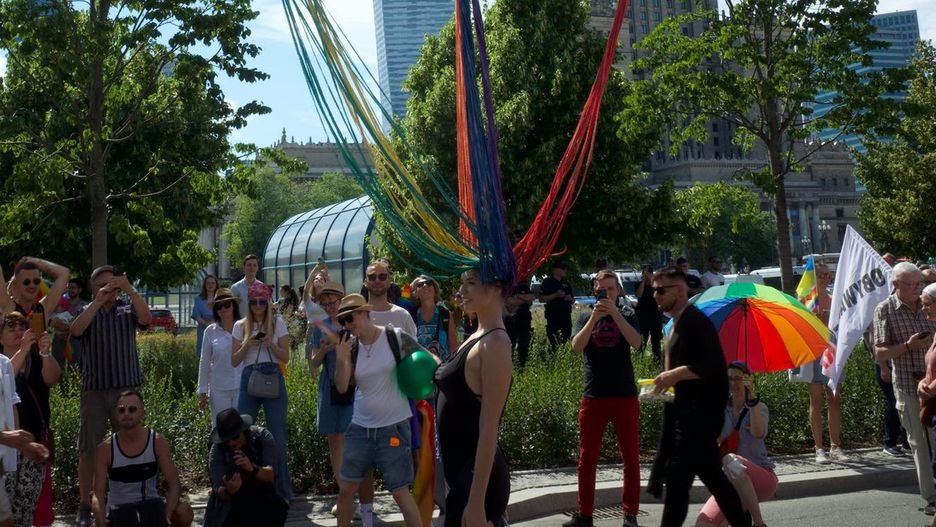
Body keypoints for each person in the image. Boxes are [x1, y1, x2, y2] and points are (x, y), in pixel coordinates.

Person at [650, 266, 750, 527]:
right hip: (687, 418)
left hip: (700, 419)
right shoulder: (677, 324)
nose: (656, 295)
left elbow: (712, 365)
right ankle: (743, 522)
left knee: (678, 485)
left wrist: (673, 375)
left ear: (679, 290)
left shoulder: (695, 322)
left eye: (660, 290)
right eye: (654, 290)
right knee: (712, 479)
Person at [70, 265, 152, 527]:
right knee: (89, 448)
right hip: (94, 390)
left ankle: (130, 500)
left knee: (129, 444)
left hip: (125, 392)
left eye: (113, 284)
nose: (109, 289)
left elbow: (147, 319)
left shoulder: (127, 309)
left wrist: (130, 289)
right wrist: (97, 301)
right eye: (103, 284)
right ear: (93, 287)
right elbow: (76, 330)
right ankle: (85, 506)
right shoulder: (86, 310)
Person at [333, 294, 423, 527]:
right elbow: (342, 387)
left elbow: (423, 359)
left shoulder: (394, 336)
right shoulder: (351, 347)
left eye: (350, 318)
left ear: (365, 313)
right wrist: (341, 358)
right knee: (346, 490)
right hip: (360, 428)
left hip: (393, 428)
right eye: (342, 321)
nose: (347, 325)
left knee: (400, 493)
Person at [563, 270, 642, 527]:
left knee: (630, 457)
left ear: (618, 291)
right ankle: (585, 515)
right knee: (587, 459)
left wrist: (615, 314)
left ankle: (630, 515)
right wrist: (594, 318)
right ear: (594, 291)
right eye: (601, 289)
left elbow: (637, 343)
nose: (606, 293)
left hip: (624, 395)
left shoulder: (628, 314)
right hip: (594, 395)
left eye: (610, 288)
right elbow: (576, 347)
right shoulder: (585, 316)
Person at [434, 269, 512, 527]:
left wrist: (477, 502)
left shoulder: (496, 342)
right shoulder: (478, 335)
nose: (462, 291)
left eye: (471, 283)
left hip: (473, 484)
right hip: (460, 476)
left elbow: (489, 428)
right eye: (462, 283)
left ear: (496, 288)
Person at [307, 281, 375, 525]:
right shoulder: (320, 326)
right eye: (324, 304)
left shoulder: (352, 322)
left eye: (332, 302)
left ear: (341, 300)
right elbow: (313, 364)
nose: (329, 307)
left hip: (354, 387)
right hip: (330, 388)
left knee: (354, 440)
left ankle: (357, 497)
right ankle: (345, 495)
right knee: (335, 442)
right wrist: (324, 351)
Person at [873, 262, 936, 516]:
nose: (916, 289)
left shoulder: (929, 304)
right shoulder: (885, 309)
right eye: (910, 284)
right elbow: (879, 352)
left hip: (933, 385)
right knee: (919, 443)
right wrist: (908, 346)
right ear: (895, 284)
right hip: (909, 387)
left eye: (919, 283)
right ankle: (931, 498)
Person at [92, 390, 193, 527]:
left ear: (142, 413)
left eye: (132, 409)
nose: (126, 414)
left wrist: (167, 515)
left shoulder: (157, 442)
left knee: (184, 511)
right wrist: (101, 519)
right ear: (116, 415)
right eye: (121, 410)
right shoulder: (105, 449)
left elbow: (174, 484)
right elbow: (97, 495)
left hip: (151, 507)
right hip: (119, 511)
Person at [231, 280, 293, 502]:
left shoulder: (277, 323)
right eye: (254, 302)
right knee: (241, 432)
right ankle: (242, 488)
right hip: (250, 377)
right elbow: (234, 360)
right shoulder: (240, 325)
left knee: (277, 436)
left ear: (268, 303)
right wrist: (247, 344)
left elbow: (286, 357)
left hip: (272, 376)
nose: (258, 306)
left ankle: (281, 490)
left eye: (262, 302)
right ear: (249, 303)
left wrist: (270, 345)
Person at [696, 362, 776, 527]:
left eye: (738, 379)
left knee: (731, 460)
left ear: (747, 380)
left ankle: (759, 523)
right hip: (731, 482)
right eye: (729, 379)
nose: (733, 383)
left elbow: (758, 433)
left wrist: (752, 400)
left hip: (761, 478)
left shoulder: (759, 407)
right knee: (704, 524)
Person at [0, 311, 60, 527]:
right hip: (5, 448)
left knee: (25, 511)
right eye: (11, 328)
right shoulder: (2, 363)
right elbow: (6, 381)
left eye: (22, 327)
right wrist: (24, 350)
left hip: (31, 443)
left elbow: (52, 378)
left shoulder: (35, 360)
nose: (18, 331)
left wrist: (45, 352)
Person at [202, 409, 288, 527]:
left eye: (235, 437)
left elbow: (271, 475)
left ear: (244, 431)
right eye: (226, 439)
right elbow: (218, 490)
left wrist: (252, 468)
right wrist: (229, 490)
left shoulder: (262, 437)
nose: (231, 443)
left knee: (278, 506)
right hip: (231, 503)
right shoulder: (217, 450)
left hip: (260, 497)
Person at [805, 261, 847, 464]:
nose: (825, 277)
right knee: (816, 400)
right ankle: (819, 448)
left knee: (835, 398)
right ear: (812, 277)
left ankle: (835, 445)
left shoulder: (835, 299)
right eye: (821, 274)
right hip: (813, 353)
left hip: (832, 352)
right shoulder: (806, 300)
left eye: (827, 274)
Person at [197, 289, 244, 421]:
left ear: (234, 306)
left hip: (242, 387)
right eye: (219, 306)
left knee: (242, 427)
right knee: (221, 427)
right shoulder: (210, 331)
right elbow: (204, 362)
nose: (223, 309)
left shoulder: (244, 328)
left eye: (227, 305)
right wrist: (202, 391)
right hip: (218, 389)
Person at [1, 258, 70, 320]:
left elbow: (64, 272)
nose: (32, 285)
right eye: (26, 282)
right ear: (16, 283)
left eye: (36, 281)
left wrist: (35, 261)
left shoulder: (43, 309)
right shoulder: (8, 307)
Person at [363, 260, 417, 337]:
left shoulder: (403, 315)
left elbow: (413, 344)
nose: (377, 280)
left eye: (382, 277)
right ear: (365, 282)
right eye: (372, 277)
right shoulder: (356, 316)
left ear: (389, 282)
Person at [410, 275, 457, 362]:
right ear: (415, 294)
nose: (425, 285)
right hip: (418, 367)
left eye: (429, 283)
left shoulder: (445, 314)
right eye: (420, 285)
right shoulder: (411, 316)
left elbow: (453, 347)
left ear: (435, 291)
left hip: (443, 367)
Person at [539, 260, 575, 351]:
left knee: (566, 341)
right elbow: (541, 298)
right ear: (555, 270)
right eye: (563, 268)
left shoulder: (566, 282)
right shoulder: (547, 282)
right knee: (555, 342)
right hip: (553, 317)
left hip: (566, 317)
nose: (565, 270)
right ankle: (555, 357)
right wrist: (555, 295)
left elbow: (572, 298)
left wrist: (570, 299)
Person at [635, 265, 663, 362]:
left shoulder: (656, 286)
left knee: (656, 342)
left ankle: (657, 361)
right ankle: (640, 360)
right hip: (643, 317)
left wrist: (651, 281)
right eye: (645, 273)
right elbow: (639, 294)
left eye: (648, 273)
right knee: (642, 340)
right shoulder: (638, 284)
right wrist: (644, 281)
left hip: (655, 316)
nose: (647, 275)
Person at [504, 280, 535, 367]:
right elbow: (509, 302)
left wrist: (518, 296)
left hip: (524, 321)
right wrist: (524, 299)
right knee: (510, 345)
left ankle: (522, 366)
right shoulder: (507, 287)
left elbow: (531, 297)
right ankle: (509, 366)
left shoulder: (523, 286)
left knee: (524, 345)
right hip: (510, 321)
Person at [192, 275, 219, 359]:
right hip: (203, 330)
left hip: (218, 330)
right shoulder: (198, 299)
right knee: (203, 356)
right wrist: (206, 324)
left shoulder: (220, 299)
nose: (210, 285)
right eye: (208, 283)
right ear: (205, 285)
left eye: (213, 283)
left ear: (216, 285)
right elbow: (196, 315)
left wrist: (214, 323)